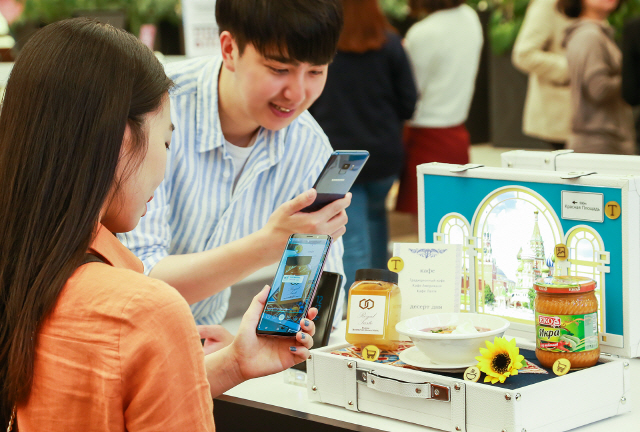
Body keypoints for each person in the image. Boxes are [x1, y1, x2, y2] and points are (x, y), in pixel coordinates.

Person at [0, 18, 317, 431]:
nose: (166, 169)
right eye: (167, 141)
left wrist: (234, 363)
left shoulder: (27, 273)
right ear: (122, 139)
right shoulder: (145, 310)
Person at [121, 0, 349, 349]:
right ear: (229, 49)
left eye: (316, 72)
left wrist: (254, 344)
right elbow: (136, 280)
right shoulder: (157, 109)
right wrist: (268, 245)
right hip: (118, 344)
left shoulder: (308, 145)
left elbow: (321, 293)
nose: (298, 93)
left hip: (200, 349)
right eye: (278, 69)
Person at [309, 0, 417, 292]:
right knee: (377, 220)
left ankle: (358, 313)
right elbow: (408, 103)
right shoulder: (392, 44)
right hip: (384, 155)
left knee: (351, 238)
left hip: (340, 159)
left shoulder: (321, 49)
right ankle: (382, 299)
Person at [395, 0, 483, 216]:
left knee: (428, 224)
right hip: (456, 130)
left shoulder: (423, 32)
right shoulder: (469, 17)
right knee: (455, 218)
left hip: (425, 135)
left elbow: (410, 90)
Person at [559, 0, 635, 154]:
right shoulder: (589, 36)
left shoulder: (597, 33)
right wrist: (632, 78)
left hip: (606, 139)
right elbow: (599, 89)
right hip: (599, 142)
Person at [512, 0, 574, 150]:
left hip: (591, 114)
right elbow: (524, 54)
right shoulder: (548, 5)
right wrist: (573, 68)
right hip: (563, 110)